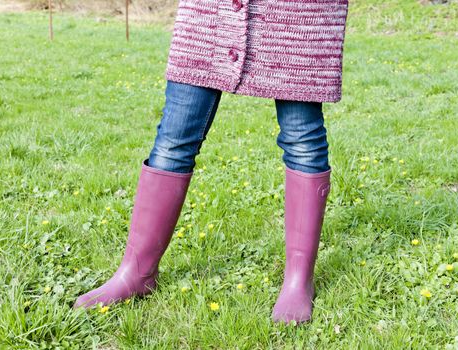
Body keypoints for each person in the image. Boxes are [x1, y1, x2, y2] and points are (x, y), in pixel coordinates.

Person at [74, 0, 349, 325]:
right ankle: (136, 273)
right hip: (211, 12)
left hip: (296, 15)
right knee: (174, 138)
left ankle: (298, 280)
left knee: (302, 137)